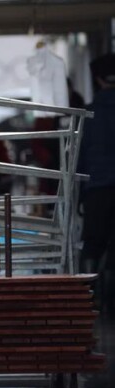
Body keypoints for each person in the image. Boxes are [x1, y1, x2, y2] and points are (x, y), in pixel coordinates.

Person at [78, 53, 115, 281]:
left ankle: (88, 296)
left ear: (98, 80)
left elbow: (81, 157)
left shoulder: (88, 113)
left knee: (92, 244)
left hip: (97, 189)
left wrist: (80, 194)